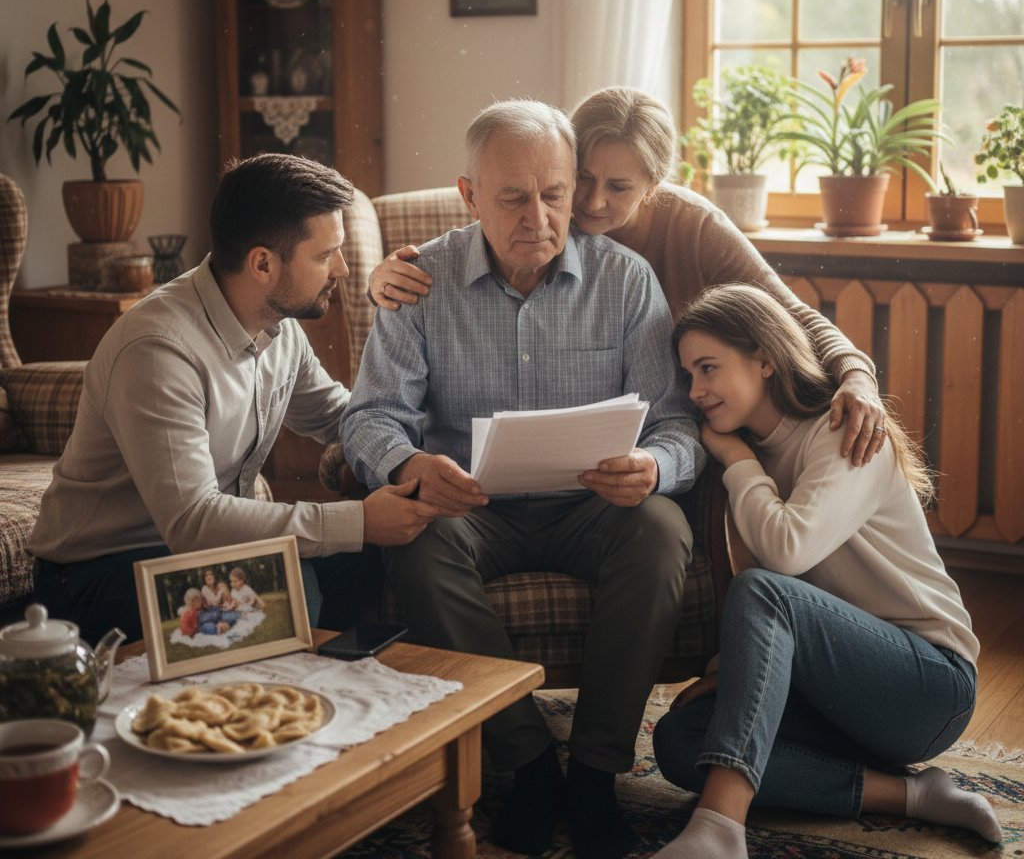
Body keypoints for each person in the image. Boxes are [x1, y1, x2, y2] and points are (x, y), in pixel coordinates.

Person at [342, 100, 702, 859]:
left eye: (555, 194)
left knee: (664, 528)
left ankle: (596, 773)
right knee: (417, 540)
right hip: (471, 509)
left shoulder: (628, 281)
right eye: (512, 197)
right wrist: (408, 465)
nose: (539, 217)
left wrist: (655, 466)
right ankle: (530, 764)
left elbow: (677, 424)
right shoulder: (417, 282)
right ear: (469, 195)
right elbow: (370, 416)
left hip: (594, 508)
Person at [650, 283, 1000, 858]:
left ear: (765, 357)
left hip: (928, 686)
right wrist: (737, 674)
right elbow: (785, 606)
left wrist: (737, 462)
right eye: (689, 375)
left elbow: (785, 560)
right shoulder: (753, 456)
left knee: (764, 591)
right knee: (682, 741)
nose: (696, 391)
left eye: (708, 368)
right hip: (834, 687)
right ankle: (912, 795)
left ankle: (719, 828)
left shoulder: (842, 429)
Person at [29, 154, 438, 645]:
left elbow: (341, 415)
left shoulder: (277, 326)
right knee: (288, 586)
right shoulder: (158, 349)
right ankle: (283, 697)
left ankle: (319, 682)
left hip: (195, 554)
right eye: (326, 255)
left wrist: (427, 451)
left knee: (368, 560)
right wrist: (360, 519)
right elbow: (194, 522)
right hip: (94, 578)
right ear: (262, 263)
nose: (344, 270)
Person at [369, 85, 887, 467]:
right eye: (583, 182)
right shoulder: (542, 211)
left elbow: (789, 315)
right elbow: (493, 217)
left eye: (619, 187)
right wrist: (385, 276)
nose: (592, 203)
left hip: (705, 419)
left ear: (653, 187)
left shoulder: (693, 228)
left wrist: (857, 374)